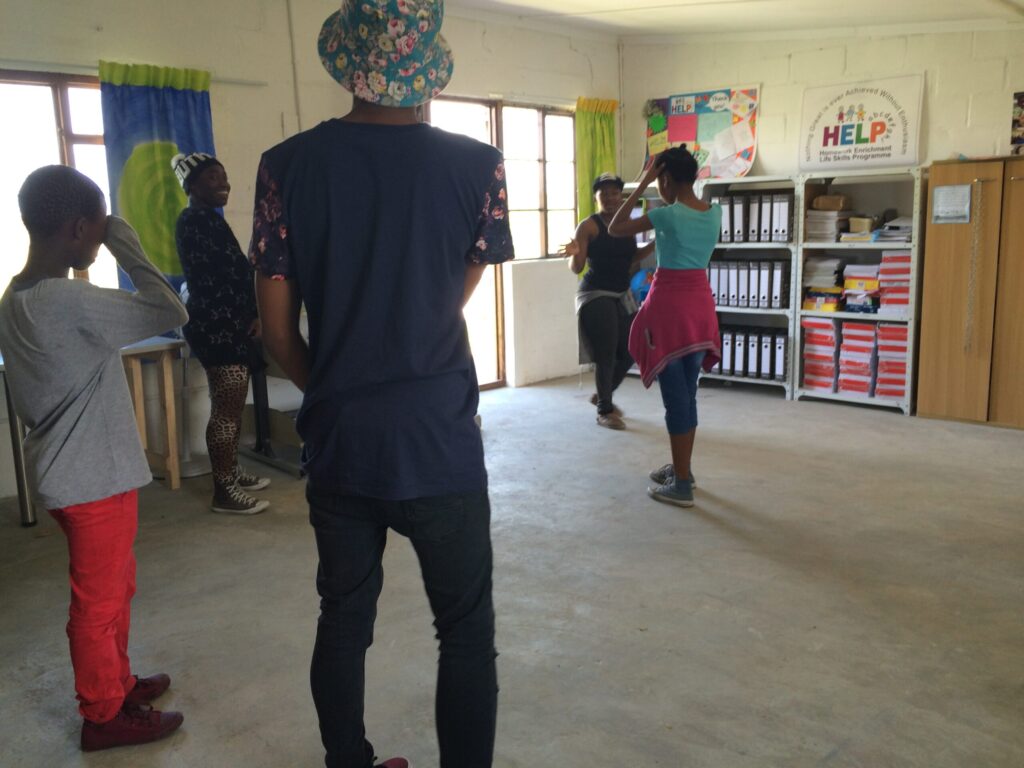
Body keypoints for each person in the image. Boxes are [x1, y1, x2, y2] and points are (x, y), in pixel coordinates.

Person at [248, 2, 513, 767]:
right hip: (439, 440)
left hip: (342, 440)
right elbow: (453, 292)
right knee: (465, 632)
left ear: (348, 68)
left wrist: (333, 384)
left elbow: (275, 333)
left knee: (343, 617)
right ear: (428, 71)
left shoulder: (286, 165)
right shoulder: (479, 165)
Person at [0, 165, 187, 750]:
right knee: (98, 603)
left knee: (114, 589)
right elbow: (169, 309)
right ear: (81, 228)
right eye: (100, 226)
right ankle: (103, 715)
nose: (103, 235)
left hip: (73, 473)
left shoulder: (17, 295)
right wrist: (126, 243)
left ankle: (118, 682)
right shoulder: (66, 301)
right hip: (91, 480)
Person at [608, 146, 722, 508]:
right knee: (687, 394)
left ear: (666, 179)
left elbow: (615, 227)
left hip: (670, 312)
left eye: (660, 180)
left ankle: (682, 484)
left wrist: (643, 183)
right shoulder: (714, 213)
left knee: (675, 400)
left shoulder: (667, 215)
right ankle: (682, 468)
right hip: (701, 310)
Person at [173, 152, 270, 515]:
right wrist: (255, 312)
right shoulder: (197, 221)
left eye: (224, 176)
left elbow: (234, 273)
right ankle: (224, 491)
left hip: (223, 324)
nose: (224, 183)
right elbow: (230, 276)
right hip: (218, 327)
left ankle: (230, 471)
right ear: (192, 185)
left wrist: (254, 311)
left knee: (228, 406)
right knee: (227, 411)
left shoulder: (205, 220)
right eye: (213, 177)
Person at [564, 172, 655, 429]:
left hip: (622, 293)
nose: (610, 198)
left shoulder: (627, 224)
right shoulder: (588, 226)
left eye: (615, 193)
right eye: (604, 194)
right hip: (596, 294)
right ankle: (604, 410)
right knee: (606, 352)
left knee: (632, 349)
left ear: (621, 196)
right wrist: (574, 254)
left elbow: (631, 258)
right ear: (596, 197)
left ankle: (602, 395)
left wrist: (656, 243)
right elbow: (576, 267)